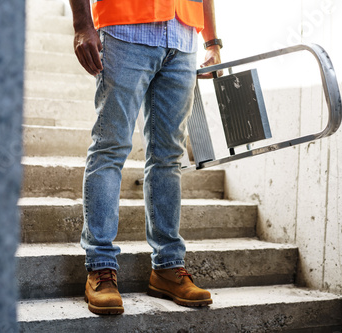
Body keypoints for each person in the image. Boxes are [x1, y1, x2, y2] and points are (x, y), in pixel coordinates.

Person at [69, 0, 222, 315]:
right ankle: (100, 266)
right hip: (126, 29)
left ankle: (167, 266)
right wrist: (82, 25)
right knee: (110, 148)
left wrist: (212, 41)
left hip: (182, 39)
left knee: (169, 157)